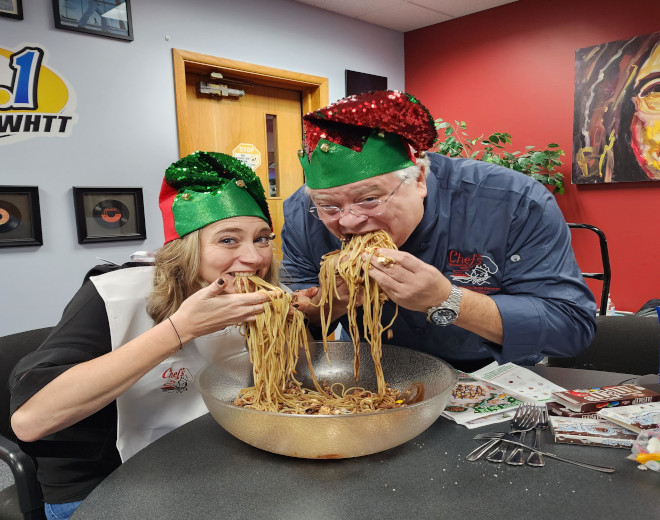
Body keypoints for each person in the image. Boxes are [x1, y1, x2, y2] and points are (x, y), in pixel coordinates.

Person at [9, 151, 282, 519]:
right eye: (229, 240)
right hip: (101, 481)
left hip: (212, 458)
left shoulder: (251, 297)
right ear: (185, 247)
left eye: (262, 238)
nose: (253, 257)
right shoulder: (114, 293)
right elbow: (30, 421)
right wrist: (179, 330)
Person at [282, 90, 596, 372]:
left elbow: (570, 329)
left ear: (418, 178)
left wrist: (448, 300)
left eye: (369, 199)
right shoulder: (302, 213)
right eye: (329, 206)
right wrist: (332, 301)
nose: (348, 221)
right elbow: (291, 331)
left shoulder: (513, 202)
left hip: (492, 373)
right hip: (370, 373)